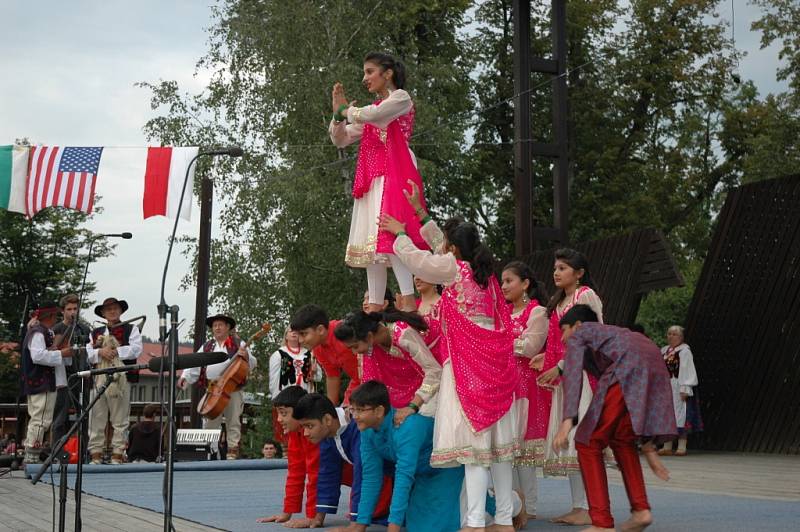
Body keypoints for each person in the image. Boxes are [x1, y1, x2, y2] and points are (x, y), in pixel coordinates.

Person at [380, 207, 518, 532]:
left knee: (474, 447)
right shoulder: (489, 279)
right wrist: (418, 214)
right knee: (497, 448)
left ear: (454, 250)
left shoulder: (455, 270)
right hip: (495, 368)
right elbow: (441, 248)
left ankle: (473, 523)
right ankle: (504, 520)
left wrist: (401, 233)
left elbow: (422, 261)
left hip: (468, 367)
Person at [552, 305, 676, 532]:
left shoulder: (583, 331)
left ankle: (601, 523)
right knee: (621, 438)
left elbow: (572, 374)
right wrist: (649, 448)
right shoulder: (615, 337)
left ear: (578, 325)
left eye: (564, 330)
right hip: (654, 365)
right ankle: (641, 510)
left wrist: (568, 420)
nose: (562, 338)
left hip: (627, 367)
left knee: (586, 441)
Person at [330, 51, 429, 313]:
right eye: (364, 72)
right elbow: (340, 139)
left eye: (369, 71)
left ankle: (408, 300)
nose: (365, 78)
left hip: (395, 175)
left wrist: (347, 110)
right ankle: (373, 307)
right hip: (372, 181)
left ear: (388, 73)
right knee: (372, 246)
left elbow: (377, 115)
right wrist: (339, 116)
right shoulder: (367, 112)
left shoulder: (401, 98)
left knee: (391, 236)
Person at [535, 248, 604, 525]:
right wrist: (546, 357)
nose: (556, 272)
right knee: (573, 443)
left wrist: (560, 366)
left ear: (579, 273)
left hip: (583, 378)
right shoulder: (560, 301)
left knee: (582, 440)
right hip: (568, 380)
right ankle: (580, 506)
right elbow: (559, 341)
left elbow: (594, 336)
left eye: (563, 268)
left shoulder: (584, 295)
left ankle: (591, 506)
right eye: (555, 268)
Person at [349, 380, 462, 532]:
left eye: (360, 410)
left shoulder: (407, 427)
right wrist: (360, 524)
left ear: (379, 411)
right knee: (417, 527)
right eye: (353, 410)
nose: (355, 416)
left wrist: (393, 528)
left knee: (440, 527)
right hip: (423, 476)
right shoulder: (367, 431)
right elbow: (371, 477)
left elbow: (403, 476)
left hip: (448, 471)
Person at [293, 393, 393, 528]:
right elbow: (327, 475)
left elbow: (362, 476)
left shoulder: (358, 426)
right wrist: (317, 518)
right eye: (303, 427)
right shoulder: (328, 434)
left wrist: (355, 525)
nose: (305, 433)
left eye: (309, 426)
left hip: (402, 475)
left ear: (327, 419)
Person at [501, 260, 548, 526]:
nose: (505, 286)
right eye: (503, 281)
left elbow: (531, 347)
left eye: (509, 281)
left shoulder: (537, 312)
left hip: (526, 386)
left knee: (525, 449)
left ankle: (529, 506)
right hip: (504, 385)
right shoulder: (502, 313)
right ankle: (514, 503)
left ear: (526, 283)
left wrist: (499, 343)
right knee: (508, 447)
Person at [334, 310, 441, 419]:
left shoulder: (403, 334)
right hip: (411, 391)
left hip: (438, 381)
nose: (354, 352)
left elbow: (434, 371)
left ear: (369, 337)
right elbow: (370, 385)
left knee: (415, 423)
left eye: (355, 347)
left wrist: (413, 405)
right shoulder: (370, 346)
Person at [179, 313, 256, 460]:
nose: (217, 328)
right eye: (215, 326)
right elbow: (196, 364)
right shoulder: (207, 346)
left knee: (233, 421)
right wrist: (185, 377)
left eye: (220, 325)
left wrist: (245, 355)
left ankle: (232, 451)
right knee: (210, 423)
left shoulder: (238, 343)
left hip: (232, 389)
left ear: (228, 327)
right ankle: (210, 452)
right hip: (213, 389)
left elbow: (252, 364)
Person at [86, 297, 142, 465]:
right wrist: (100, 352)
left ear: (120, 311)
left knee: (120, 419)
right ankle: (95, 453)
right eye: (108, 309)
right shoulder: (95, 333)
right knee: (96, 417)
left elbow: (136, 350)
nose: (112, 311)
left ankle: (117, 453)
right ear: (103, 313)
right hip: (98, 377)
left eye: (115, 308)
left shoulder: (131, 329)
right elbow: (88, 353)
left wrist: (116, 351)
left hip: (121, 378)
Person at [258, 386, 322, 527]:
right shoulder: (294, 434)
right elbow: (295, 474)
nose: (279, 419)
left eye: (284, 413)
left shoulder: (315, 434)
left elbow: (316, 476)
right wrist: (287, 513)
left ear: (300, 411)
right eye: (278, 414)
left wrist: (313, 517)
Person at [21, 302, 73, 464]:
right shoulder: (38, 333)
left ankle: (33, 452)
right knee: (41, 419)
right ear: (49, 316)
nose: (56, 318)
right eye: (54, 315)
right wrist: (60, 353)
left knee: (41, 418)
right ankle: (32, 455)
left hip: (43, 382)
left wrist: (59, 351)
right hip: (41, 382)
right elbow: (38, 357)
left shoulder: (43, 332)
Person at [290, 304, 360, 406]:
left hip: (380, 379)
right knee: (344, 414)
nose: (300, 340)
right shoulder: (317, 348)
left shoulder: (345, 331)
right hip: (359, 383)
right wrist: (330, 410)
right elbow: (332, 376)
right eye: (298, 335)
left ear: (320, 330)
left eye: (304, 334)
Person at [269, 328, 321, 447]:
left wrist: (314, 371)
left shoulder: (309, 353)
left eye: (297, 331)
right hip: (286, 396)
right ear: (285, 335)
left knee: (304, 423)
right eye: (290, 331)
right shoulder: (278, 354)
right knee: (286, 425)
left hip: (305, 394)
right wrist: (276, 398)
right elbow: (274, 378)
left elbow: (318, 377)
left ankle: (305, 446)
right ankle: (287, 450)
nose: (294, 333)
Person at [51, 293, 91, 446]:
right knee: (60, 415)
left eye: (75, 308)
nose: (73, 312)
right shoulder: (56, 329)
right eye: (69, 309)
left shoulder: (85, 329)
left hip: (82, 376)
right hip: (63, 377)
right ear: (63, 311)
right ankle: (57, 450)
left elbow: (89, 352)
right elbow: (51, 352)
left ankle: (83, 450)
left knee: (84, 414)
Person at [659, 325, 703, 457]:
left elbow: (687, 369)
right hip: (666, 386)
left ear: (681, 337)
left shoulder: (684, 351)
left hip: (679, 385)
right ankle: (667, 445)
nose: (671, 336)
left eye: (674, 334)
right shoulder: (664, 351)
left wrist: (685, 387)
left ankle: (681, 446)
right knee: (667, 414)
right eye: (669, 334)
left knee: (681, 415)